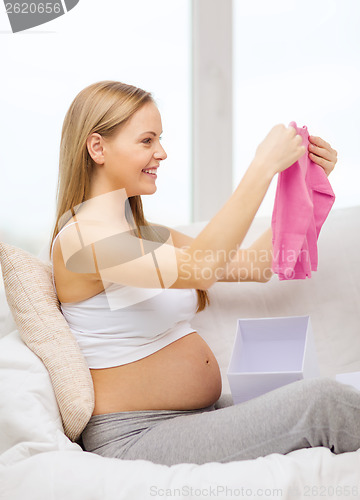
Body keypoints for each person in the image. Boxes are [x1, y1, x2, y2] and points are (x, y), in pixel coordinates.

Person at [49, 80, 360, 467]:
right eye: (147, 141)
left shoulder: (146, 235)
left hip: (190, 418)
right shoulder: (82, 239)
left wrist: (309, 189)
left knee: (334, 389)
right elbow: (201, 267)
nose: (161, 152)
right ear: (98, 147)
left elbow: (255, 266)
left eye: (159, 139)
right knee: (323, 404)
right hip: (138, 436)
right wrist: (262, 167)